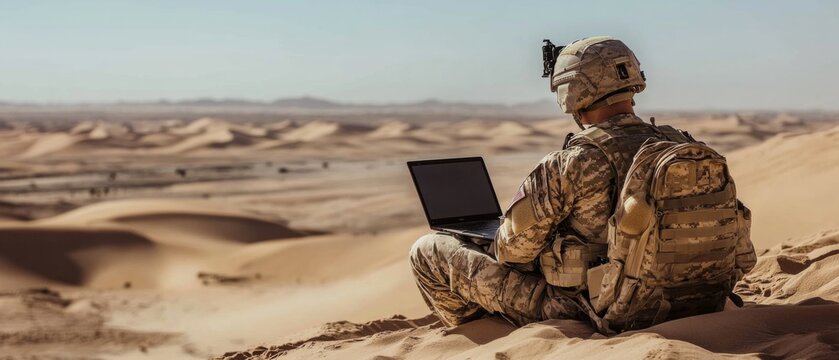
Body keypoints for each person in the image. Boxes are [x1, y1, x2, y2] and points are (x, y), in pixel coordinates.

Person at [408, 36, 756, 328]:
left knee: (428, 250)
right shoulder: (685, 147)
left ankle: (482, 333)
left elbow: (512, 251)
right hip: (700, 301)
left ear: (572, 92)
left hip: (591, 311)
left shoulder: (572, 162)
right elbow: (741, 252)